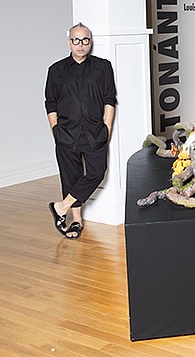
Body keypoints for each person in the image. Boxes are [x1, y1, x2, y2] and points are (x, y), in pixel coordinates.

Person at [45, 23, 116, 239]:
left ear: (90, 42)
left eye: (85, 40)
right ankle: (76, 220)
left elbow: (109, 99)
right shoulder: (56, 70)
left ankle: (61, 207)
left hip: (95, 132)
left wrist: (107, 128)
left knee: (96, 172)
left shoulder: (103, 67)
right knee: (71, 177)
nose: (80, 45)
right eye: (76, 40)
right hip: (66, 134)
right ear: (69, 42)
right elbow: (51, 103)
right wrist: (55, 130)